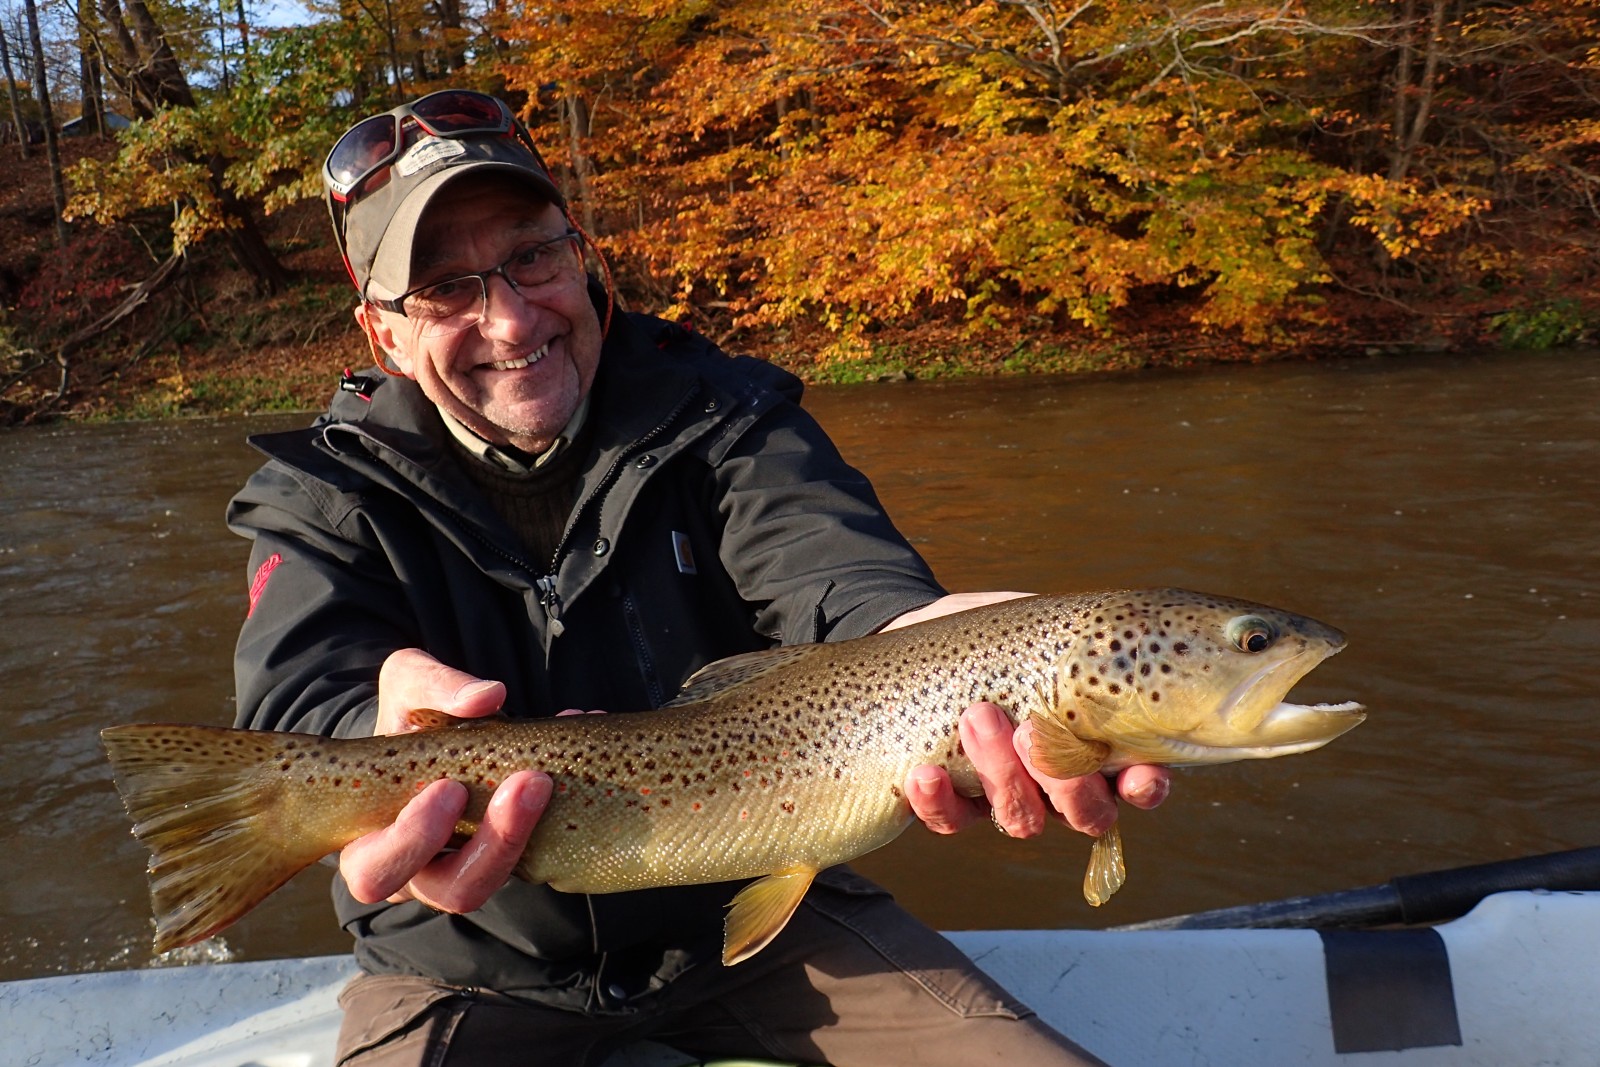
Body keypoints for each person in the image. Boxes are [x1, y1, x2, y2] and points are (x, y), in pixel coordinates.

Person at [227, 89, 1170, 1067]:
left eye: (530, 257)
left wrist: (954, 637)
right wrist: (368, 742)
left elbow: (852, 586)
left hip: (768, 904)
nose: (508, 321)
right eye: (446, 290)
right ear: (381, 332)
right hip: (460, 959)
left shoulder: (727, 417)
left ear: (580, 251)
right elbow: (301, 702)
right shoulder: (317, 489)